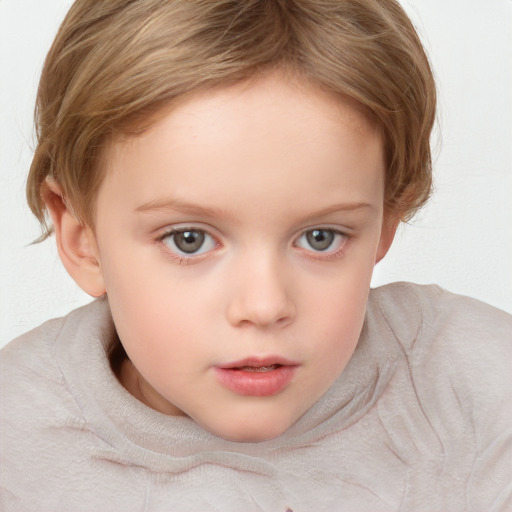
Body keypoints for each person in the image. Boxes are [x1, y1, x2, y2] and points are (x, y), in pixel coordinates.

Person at [0, 0, 510, 510]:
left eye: (320, 237)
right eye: (189, 240)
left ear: (385, 223)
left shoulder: (476, 394)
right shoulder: (16, 443)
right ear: (80, 234)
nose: (265, 306)